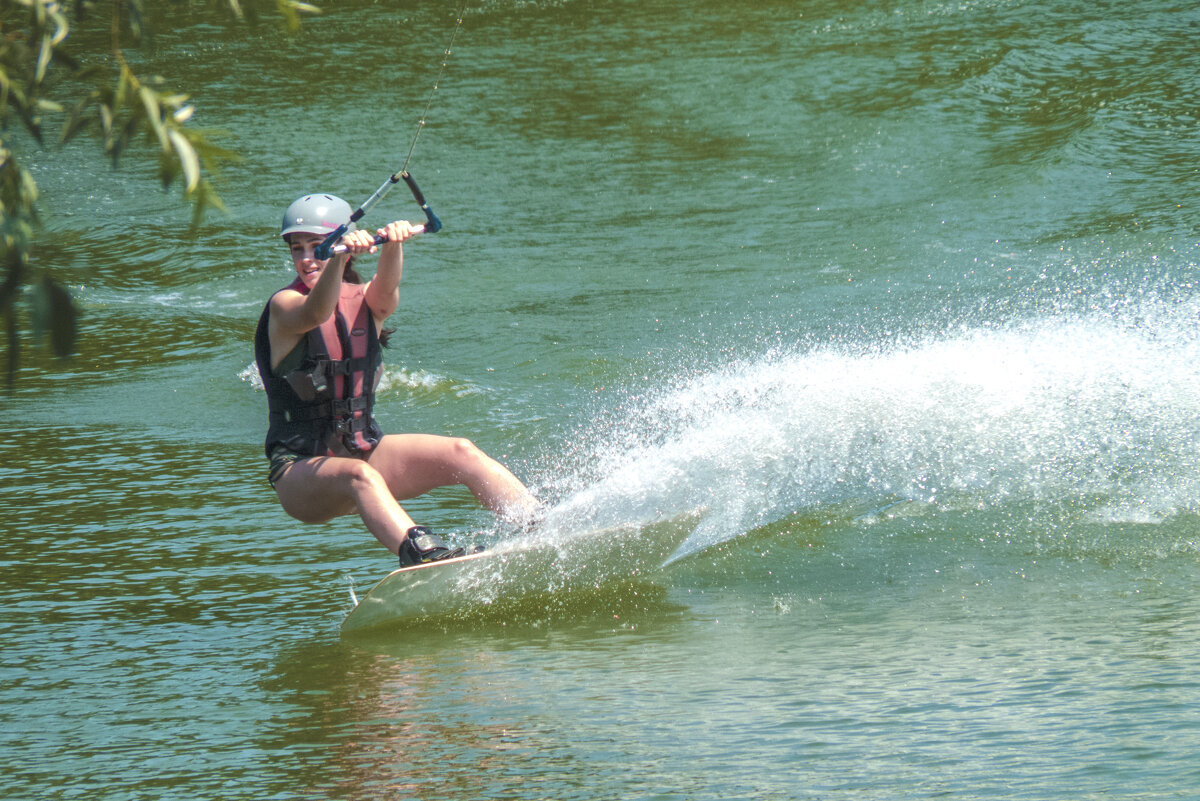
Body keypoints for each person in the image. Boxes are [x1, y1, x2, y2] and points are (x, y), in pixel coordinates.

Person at [254, 193, 539, 565]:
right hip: (301, 471)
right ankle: (425, 557)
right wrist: (336, 256)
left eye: (316, 246)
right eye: (298, 249)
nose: (307, 258)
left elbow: (385, 296)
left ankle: (540, 525)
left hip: (362, 448)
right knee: (358, 476)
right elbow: (317, 311)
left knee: (461, 452)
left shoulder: (364, 302)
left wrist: (393, 244)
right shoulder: (285, 306)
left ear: (348, 246)